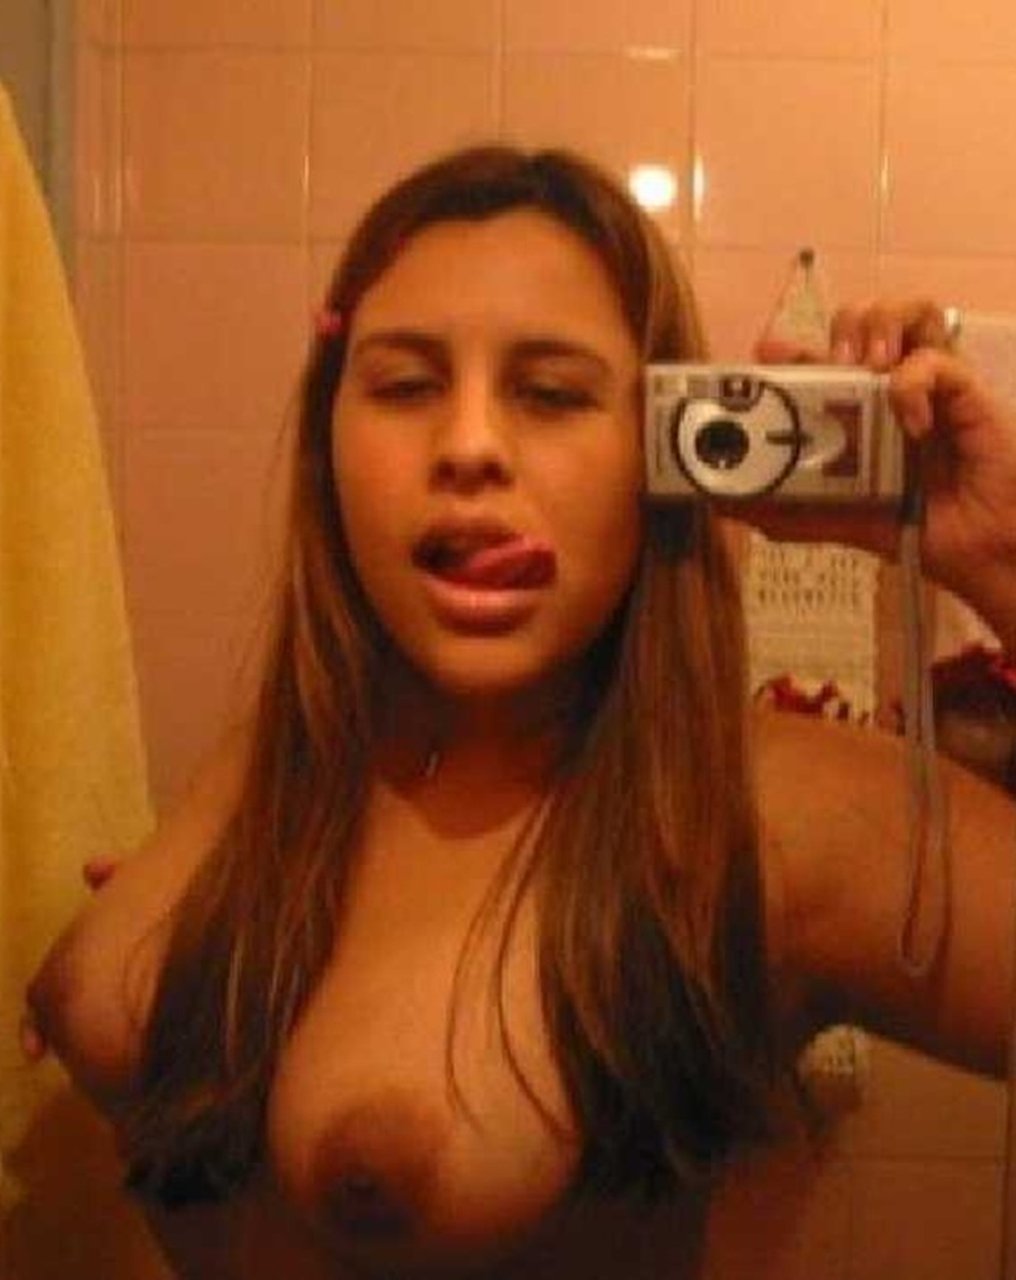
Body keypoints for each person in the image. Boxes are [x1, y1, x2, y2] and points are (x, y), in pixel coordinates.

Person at [24, 145, 1016, 1279]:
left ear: (666, 447)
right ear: (327, 432)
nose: (468, 448)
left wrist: (998, 557)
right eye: (405, 385)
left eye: (550, 394)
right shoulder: (289, 752)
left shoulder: (763, 812)